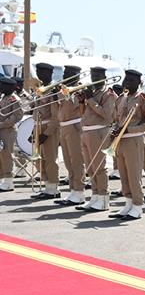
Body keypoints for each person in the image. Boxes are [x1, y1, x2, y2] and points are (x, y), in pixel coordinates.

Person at [109, 69, 145, 220]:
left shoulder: (143, 99)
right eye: (126, 79)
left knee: (134, 174)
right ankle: (128, 203)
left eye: (131, 80)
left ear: (139, 83)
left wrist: (130, 129)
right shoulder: (121, 98)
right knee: (123, 174)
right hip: (121, 140)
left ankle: (137, 206)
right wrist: (116, 129)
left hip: (134, 140)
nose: (126, 82)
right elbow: (116, 119)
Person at [77, 66, 118, 212]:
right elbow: (84, 114)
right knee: (90, 167)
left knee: (99, 167)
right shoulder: (93, 93)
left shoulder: (109, 94)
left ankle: (103, 199)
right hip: (87, 131)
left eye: (97, 75)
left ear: (104, 76)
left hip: (99, 131)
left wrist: (90, 99)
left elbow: (107, 115)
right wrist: (82, 101)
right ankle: (94, 197)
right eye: (93, 75)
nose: (94, 78)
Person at [53, 64, 87, 206]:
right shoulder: (62, 89)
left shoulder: (80, 90)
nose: (67, 76)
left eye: (70, 73)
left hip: (74, 126)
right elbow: (58, 107)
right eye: (66, 73)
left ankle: (79, 191)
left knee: (76, 160)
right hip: (64, 126)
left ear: (77, 75)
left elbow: (78, 106)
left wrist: (70, 93)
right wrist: (56, 93)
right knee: (67, 161)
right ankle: (72, 190)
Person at [30, 62, 61, 199]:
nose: (40, 75)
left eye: (43, 72)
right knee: (40, 159)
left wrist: (46, 133)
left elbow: (56, 116)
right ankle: (47, 185)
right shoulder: (40, 89)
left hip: (49, 128)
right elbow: (36, 111)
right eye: (38, 72)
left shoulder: (54, 90)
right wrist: (34, 130)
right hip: (38, 126)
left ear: (50, 74)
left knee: (50, 159)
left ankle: (53, 188)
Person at [0, 75, 23, 191]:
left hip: (8, 131)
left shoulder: (14, 99)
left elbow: (18, 115)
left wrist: (2, 124)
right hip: (1, 131)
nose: (1, 87)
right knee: (1, 156)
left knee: (7, 155)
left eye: (2, 85)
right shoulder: (3, 97)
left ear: (9, 87)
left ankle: (8, 182)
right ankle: (2, 179)